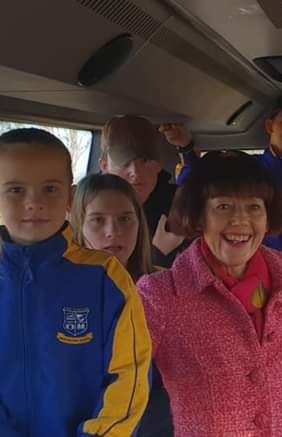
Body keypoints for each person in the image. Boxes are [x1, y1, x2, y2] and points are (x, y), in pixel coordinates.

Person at [137, 151, 282, 436]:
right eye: (223, 207)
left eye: (254, 207)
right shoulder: (160, 296)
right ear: (198, 215)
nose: (240, 220)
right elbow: (119, 380)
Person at [0, 128, 151, 437]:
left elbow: (130, 374)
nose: (34, 203)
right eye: (16, 190)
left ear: (70, 197)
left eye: (50, 189)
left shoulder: (105, 278)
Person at [164, 92, 282, 284]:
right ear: (270, 126)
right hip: (226, 273)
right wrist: (186, 148)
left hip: (278, 281)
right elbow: (198, 183)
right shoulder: (244, 167)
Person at [69, 173, 174, 437]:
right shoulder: (63, 294)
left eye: (125, 220)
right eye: (97, 220)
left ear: (140, 225)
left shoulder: (165, 286)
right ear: (79, 225)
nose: (112, 232)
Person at [99, 115, 184, 268]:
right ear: (105, 167)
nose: (135, 173)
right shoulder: (89, 210)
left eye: (144, 161)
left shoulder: (180, 204)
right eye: (124, 162)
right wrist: (157, 254)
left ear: (158, 165)